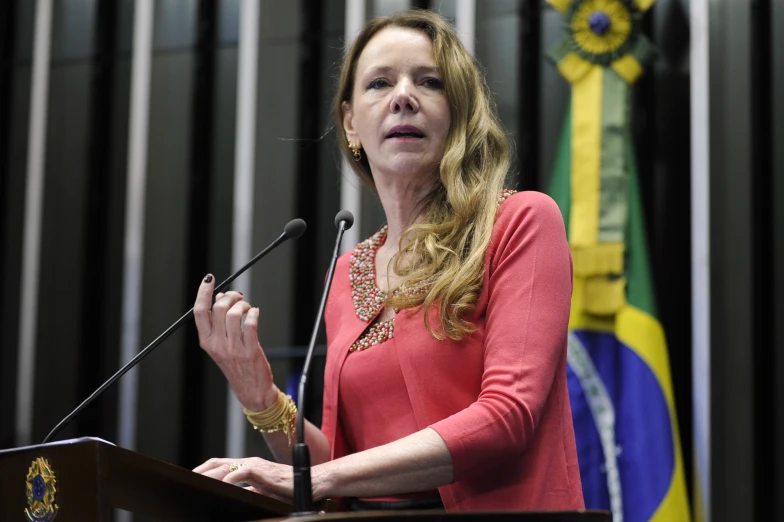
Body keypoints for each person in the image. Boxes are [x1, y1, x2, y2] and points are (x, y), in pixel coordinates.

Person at [192, 9, 583, 512]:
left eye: (429, 82)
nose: (404, 96)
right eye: (379, 82)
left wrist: (322, 476)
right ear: (352, 122)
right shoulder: (348, 269)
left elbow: (508, 415)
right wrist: (261, 398)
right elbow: (349, 468)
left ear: (457, 114)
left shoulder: (520, 222)